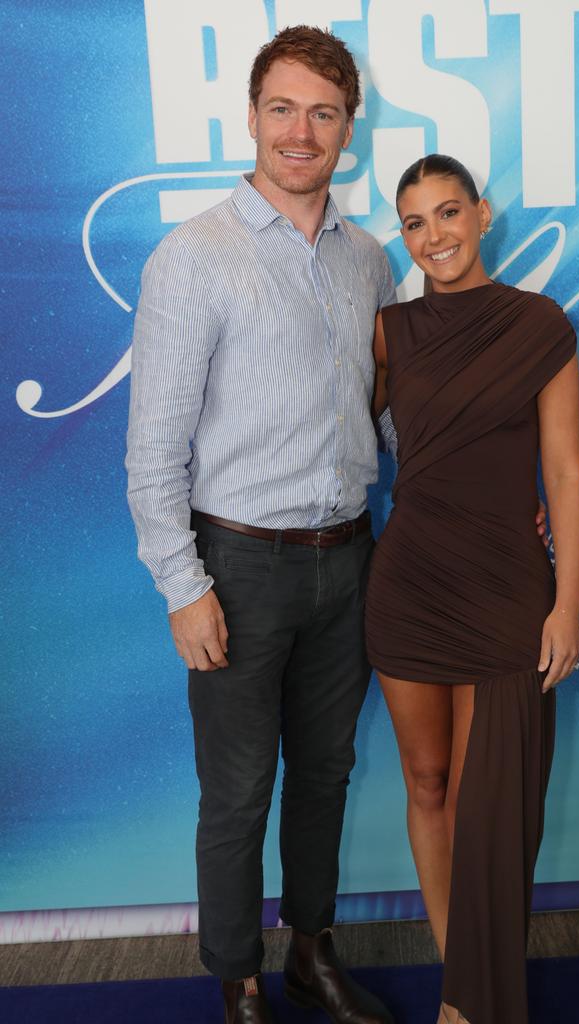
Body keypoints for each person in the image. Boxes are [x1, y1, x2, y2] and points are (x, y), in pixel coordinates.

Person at [126, 26, 398, 1024]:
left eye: (323, 113)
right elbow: (152, 441)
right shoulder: (195, 255)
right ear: (250, 116)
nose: (301, 130)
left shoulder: (370, 257)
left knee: (327, 771)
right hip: (237, 566)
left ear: (348, 131)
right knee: (238, 793)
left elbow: (391, 411)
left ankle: (309, 955)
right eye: (282, 108)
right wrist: (183, 584)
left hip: (349, 558)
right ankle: (238, 981)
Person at [365, 155, 579, 1024]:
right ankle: (464, 986)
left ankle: (475, 1000)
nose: (434, 237)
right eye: (415, 223)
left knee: (492, 807)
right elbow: (349, 438)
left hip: (505, 592)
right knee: (426, 784)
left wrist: (566, 602)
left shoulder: (539, 325)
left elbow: (565, 472)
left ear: (483, 214)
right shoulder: (389, 332)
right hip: (409, 582)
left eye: (449, 213)